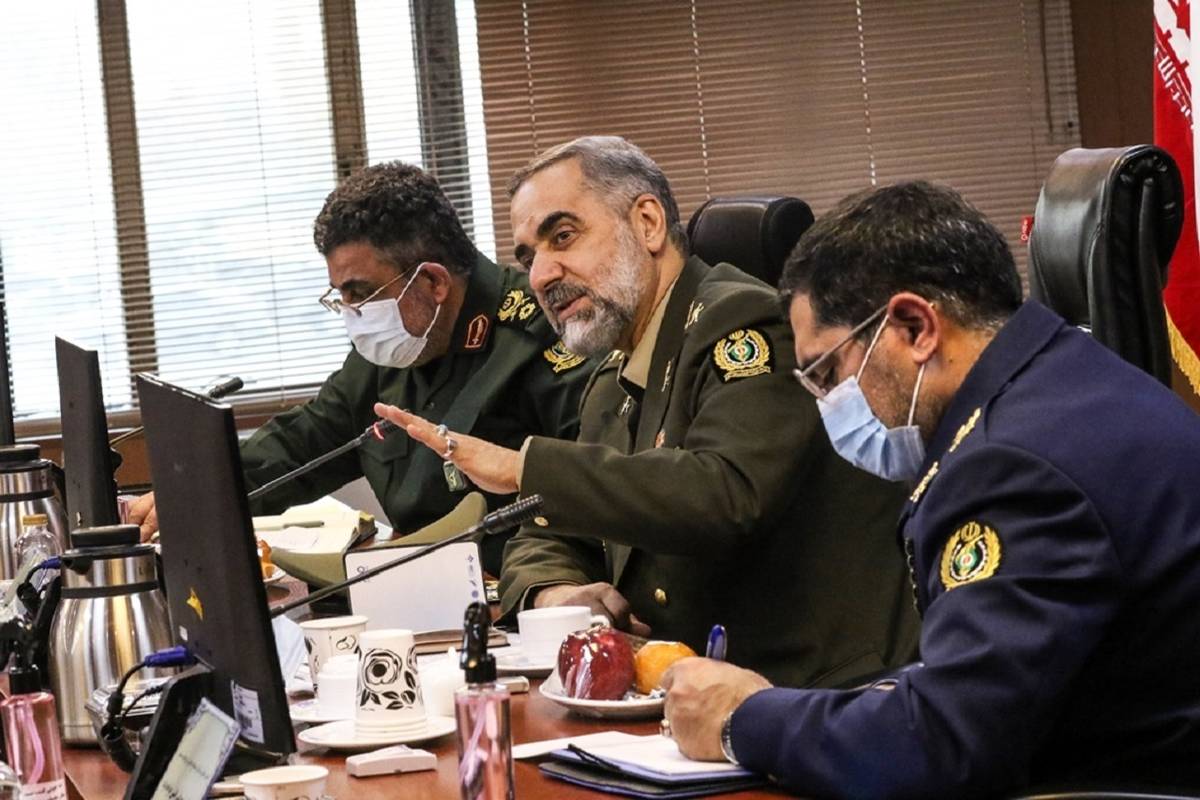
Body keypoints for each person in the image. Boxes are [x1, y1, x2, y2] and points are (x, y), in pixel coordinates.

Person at [662, 181, 1200, 796]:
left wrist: (741, 719)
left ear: (915, 326)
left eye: (827, 371)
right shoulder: (1064, 382)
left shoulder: (1012, 467)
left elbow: (940, 744)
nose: (827, 402)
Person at [376, 136, 919, 687]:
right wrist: (556, 591)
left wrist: (521, 468)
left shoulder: (743, 323)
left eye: (563, 237)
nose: (540, 275)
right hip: (679, 697)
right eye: (528, 257)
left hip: (812, 694)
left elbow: (726, 493)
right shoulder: (612, 377)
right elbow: (549, 529)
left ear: (648, 223)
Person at [128, 161, 591, 575]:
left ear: (433, 281)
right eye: (341, 295)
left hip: (522, 598)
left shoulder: (543, 332)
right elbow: (303, 443)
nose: (352, 311)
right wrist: (194, 489)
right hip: (412, 585)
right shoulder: (396, 346)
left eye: (360, 292)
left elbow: (587, 495)